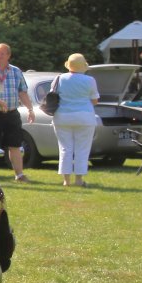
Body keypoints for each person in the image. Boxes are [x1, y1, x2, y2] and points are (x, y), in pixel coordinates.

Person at [0, 43, 36, 182]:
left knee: (15, 145)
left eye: (2, 53)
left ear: (8, 55)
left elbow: (22, 92)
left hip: (12, 113)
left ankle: (19, 175)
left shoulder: (16, 71)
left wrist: (30, 109)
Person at [52, 53, 101, 188]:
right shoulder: (90, 80)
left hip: (62, 116)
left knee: (65, 148)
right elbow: (95, 101)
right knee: (82, 149)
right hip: (84, 117)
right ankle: (79, 180)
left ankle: (66, 180)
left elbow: (52, 95)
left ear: (69, 65)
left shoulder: (59, 78)